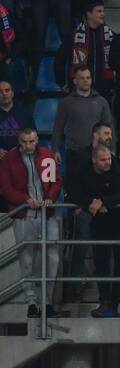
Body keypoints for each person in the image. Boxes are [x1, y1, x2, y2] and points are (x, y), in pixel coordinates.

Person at [0, 129, 63, 319]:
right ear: (19, 141)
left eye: (32, 141)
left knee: (53, 257)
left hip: (47, 213)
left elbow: (56, 181)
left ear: (37, 140)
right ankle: (32, 303)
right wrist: (25, 200)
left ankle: (48, 301)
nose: (29, 145)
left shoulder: (47, 155)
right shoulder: (9, 159)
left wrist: (50, 198)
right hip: (24, 214)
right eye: (25, 142)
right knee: (26, 258)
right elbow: (5, 187)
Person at [67, 143, 120, 317]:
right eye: (103, 160)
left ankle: (115, 303)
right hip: (99, 222)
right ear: (94, 161)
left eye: (109, 158)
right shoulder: (84, 170)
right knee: (101, 262)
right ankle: (104, 301)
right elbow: (73, 191)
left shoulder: (115, 166)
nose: (108, 162)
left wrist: (103, 201)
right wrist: (90, 203)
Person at [52, 65, 114, 174]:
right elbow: (58, 127)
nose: (86, 81)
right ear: (75, 81)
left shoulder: (101, 101)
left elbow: (109, 128)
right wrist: (55, 149)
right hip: (74, 153)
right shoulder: (66, 102)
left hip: (97, 153)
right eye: (82, 78)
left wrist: (112, 150)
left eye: (88, 78)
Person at [57, 2, 115, 98]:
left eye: (103, 11)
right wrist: (61, 81)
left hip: (104, 91)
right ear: (89, 14)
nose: (103, 14)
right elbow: (59, 60)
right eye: (99, 11)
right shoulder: (73, 36)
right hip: (79, 90)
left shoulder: (111, 36)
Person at [0, 81, 33, 154]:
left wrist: (20, 148)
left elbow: (33, 136)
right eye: (0, 91)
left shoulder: (25, 112)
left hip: (21, 156)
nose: (4, 93)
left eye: (7, 90)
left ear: (12, 93)